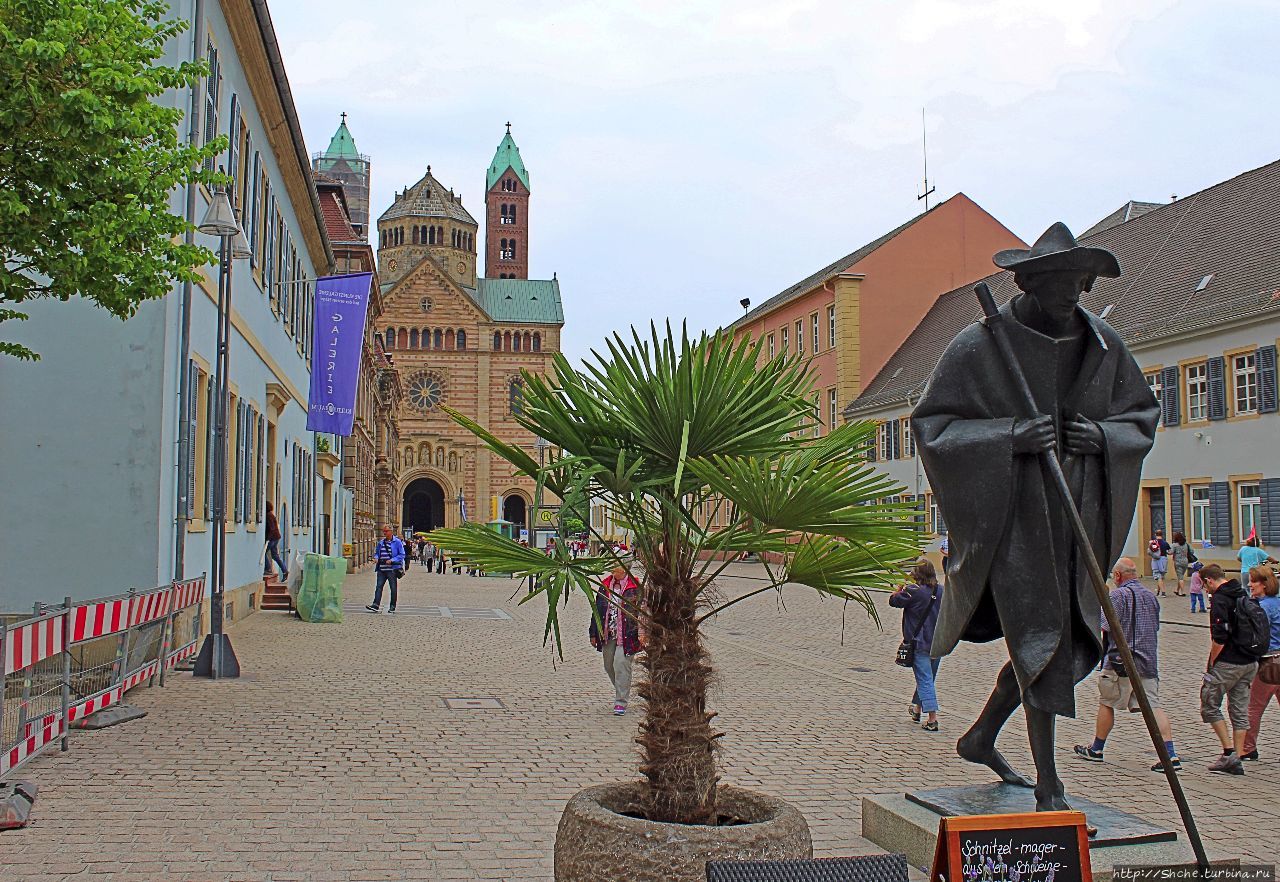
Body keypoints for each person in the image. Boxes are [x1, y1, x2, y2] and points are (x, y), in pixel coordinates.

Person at [913, 222, 1158, 811]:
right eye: (1057, 283)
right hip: (1017, 523)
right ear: (1025, 281)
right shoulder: (980, 346)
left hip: (1081, 518)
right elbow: (934, 426)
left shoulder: (1105, 345)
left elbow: (1141, 416)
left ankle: (980, 737)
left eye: (1080, 283)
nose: (1071, 295)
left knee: (1074, 649)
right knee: (1044, 647)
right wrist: (1009, 436)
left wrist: (1101, 436)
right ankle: (1050, 788)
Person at [1073, 558, 1180, 771]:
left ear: (1119, 576)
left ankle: (1097, 749)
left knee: (1107, 702)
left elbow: (1103, 627)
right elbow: (1155, 626)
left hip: (1119, 662)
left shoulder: (1117, 596)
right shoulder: (1151, 596)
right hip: (1148, 661)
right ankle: (1169, 755)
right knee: (1153, 707)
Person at [1200, 564, 1260, 774]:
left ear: (1209, 580)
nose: (1205, 590)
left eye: (1204, 585)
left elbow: (1220, 637)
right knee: (1239, 709)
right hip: (1249, 661)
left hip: (1229, 662)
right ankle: (1238, 755)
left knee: (1209, 703)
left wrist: (1212, 664)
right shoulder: (1242, 593)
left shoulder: (1220, 598)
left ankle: (1228, 752)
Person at [890, 558, 944, 730]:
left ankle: (932, 719)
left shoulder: (913, 591)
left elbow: (894, 601)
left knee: (925, 680)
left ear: (916, 574)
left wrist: (897, 591)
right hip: (938, 641)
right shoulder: (941, 590)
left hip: (919, 642)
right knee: (928, 678)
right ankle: (917, 709)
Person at [589, 563, 644, 715]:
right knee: (609, 666)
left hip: (628, 634)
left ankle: (621, 701)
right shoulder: (605, 585)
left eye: (616, 567)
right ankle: (623, 687)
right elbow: (597, 610)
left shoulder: (635, 586)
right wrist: (593, 633)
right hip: (608, 633)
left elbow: (644, 611)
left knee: (620, 664)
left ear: (625, 568)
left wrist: (643, 633)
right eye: (612, 567)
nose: (613, 570)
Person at [1242, 565, 1280, 761]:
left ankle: (1247, 748)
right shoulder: (1278, 602)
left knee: (1253, 707)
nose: (1249, 584)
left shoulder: (1263, 608)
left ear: (1264, 584)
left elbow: (1257, 637)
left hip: (1269, 662)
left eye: (1253, 581)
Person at [366, 525, 404, 614]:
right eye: (384, 531)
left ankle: (392, 606)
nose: (384, 533)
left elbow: (402, 555)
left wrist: (392, 560)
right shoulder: (381, 542)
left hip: (392, 569)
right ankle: (375, 605)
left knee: (393, 588)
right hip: (381, 569)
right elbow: (377, 553)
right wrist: (376, 558)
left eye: (386, 531)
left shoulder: (397, 542)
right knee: (379, 587)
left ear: (391, 532)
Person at [263, 501, 288, 582]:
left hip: (272, 538)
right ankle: (284, 570)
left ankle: (268, 569)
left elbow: (272, 528)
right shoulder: (271, 515)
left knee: (264, 553)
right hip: (276, 537)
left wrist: (268, 538)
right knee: (275, 555)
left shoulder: (268, 516)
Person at [1169, 531, 1193, 596]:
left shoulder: (1175, 545)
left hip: (1177, 562)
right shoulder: (1186, 544)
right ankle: (1177, 590)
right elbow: (1192, 551)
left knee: (1180, 578)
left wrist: (1165, 550)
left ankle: (1182, 592)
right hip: (1185, 561)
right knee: (1181, 576)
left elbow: (1170, 552)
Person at [1148, 529, 1171, 596]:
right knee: (1160, 576)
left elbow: (1149, 551)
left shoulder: (1153, 543)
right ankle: (1158, 591)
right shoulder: (1165, 543)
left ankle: (1163, 592)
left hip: (1155, 560)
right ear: (1162, 535)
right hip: (1163, 560)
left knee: (1158, 576)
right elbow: (1169, 552)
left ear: (1155, 535)